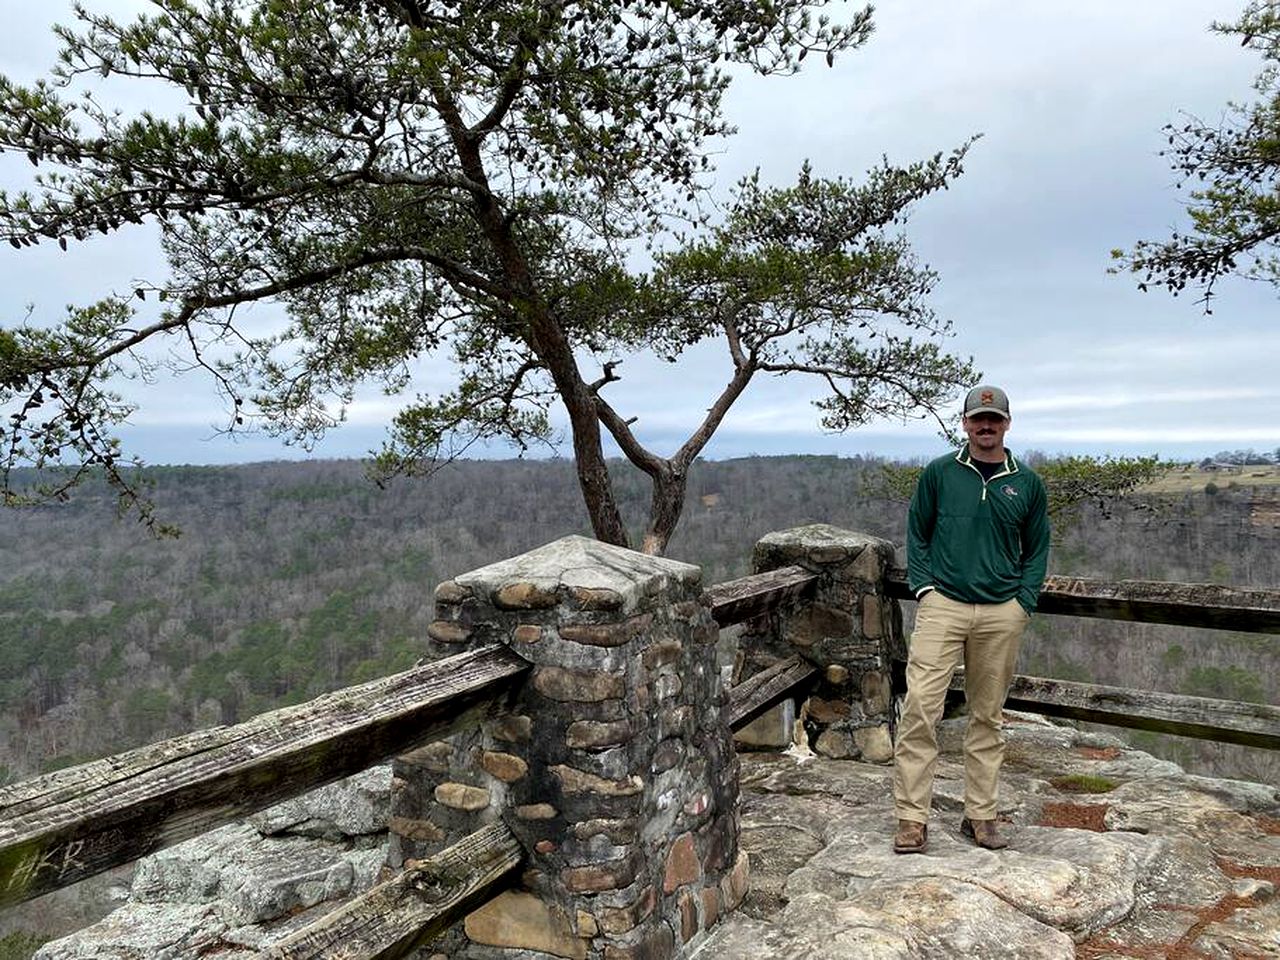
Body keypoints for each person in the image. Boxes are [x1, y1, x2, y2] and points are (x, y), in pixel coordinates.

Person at [891, 384, 1050, 854]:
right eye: (978, 419)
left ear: (1007, 424)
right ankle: (911, 818)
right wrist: (924, 587)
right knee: (921, 707)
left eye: (995, 419)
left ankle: (980, 815)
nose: (986, 426)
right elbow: (917, 533)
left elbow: (1037, 547)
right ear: (964, 423)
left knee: (988, 716)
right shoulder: (940, 473)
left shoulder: (1027, 482)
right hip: (944, 606)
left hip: (1002, 611)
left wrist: (1023, 601)